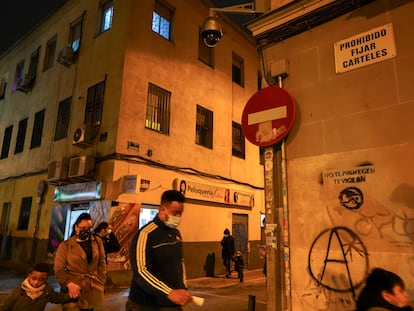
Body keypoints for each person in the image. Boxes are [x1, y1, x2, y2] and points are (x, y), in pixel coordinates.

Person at [126, 190, 192, 311]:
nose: (178, 217)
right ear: (162, 210)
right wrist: (169, 292)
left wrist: (183, 287)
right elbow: (141, 272)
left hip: (172, 304)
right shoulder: (145, 234)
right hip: (146, 305)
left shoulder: (175, 233)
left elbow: (180, 262)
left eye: (180, 213)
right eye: (175, 213)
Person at [54, 212, 107, 311]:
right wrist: (68, 283)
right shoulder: (65, 245)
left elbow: (102, 262)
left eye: (88, 228)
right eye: (83, 228)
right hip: (74, 288)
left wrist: (101, 279)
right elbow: (59, 269)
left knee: (89, 308)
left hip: (92, 286)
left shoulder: (97, 241)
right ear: (76, 227)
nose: (85, 231)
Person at [1, 262, 78, 311]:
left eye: (41, 280)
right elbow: (5, 307)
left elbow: (59, 298)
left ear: (46, 279)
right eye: (33, 278)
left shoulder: (47, 292)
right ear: (29, 276)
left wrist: (73, 295)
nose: (36, 282)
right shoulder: (17, 292)